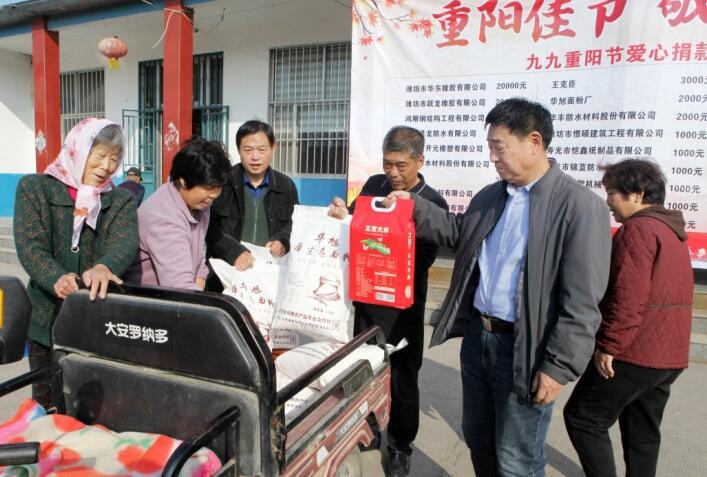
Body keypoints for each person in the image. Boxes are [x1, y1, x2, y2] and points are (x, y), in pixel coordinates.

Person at [373, 98, 611, 476]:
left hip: (525, 349)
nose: (492, 157)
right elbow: (458, 232)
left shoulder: (579, 207)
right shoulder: (491, 196)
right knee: (478, 439)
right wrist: (414, 206)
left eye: (499, 147)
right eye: (490, 147)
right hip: (478, 340)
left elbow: (582, 302)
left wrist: (558, 366)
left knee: (516, 459)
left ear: (534, 142)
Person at [328, 126, 448, 476]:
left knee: (402, 381)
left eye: (401, 165)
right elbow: (355, 225)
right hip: (367, 304)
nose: (393, 173)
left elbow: (422, 260)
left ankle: (400, 447)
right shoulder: (373, 186)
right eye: (387, 164)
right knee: (364, 373)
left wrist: (386, 250)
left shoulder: (432, 203)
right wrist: (343, 215)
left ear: (420, 161)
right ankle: (368, 432)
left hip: (403, 309)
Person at [563, 159, 694, 477]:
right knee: (642, 433)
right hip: (668, 357)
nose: (608, 201)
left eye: (612, 192)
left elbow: (628, 296)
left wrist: (609, 344)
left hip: (634, 353)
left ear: (637, 193)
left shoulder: (638, 230)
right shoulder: (672, 231)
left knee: (583, 419)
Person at [14, 118, 138, 409]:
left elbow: (125, 242)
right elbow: (30, 245)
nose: (106, 166)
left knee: (94, 408)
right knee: (47, 404)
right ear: (77, 150)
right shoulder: (35, 189)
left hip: (96, 320)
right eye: (100, 155)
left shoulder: (120, 200)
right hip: (45, 319)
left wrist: (105, 266)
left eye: (114, 159)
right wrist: (56, 277)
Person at [127, 137, 230, 291]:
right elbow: (178, 285)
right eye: (208, 187)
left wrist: (200, 277)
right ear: (183, 180)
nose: (214, 194)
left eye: (218, 187)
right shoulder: (164, 218)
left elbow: (199, 251)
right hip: (150, 299)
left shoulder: (199, 204)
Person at [206, 120, 299, 290]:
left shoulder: (286, 186)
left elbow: (294, 224)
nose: (255, 157)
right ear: (239, 150)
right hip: (227, 274)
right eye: (248, 150)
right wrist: (233, 251)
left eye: (261, 150)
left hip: (268, 277)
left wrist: (283, 240)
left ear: (273, 148)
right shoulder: (223, 183)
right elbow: (209, 227)